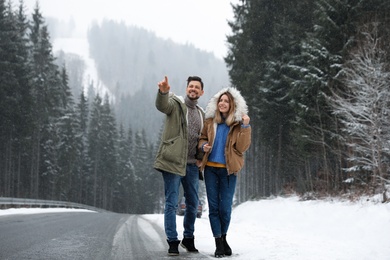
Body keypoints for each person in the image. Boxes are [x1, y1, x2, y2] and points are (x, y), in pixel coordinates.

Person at [154, 75, 205, 256]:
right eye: (191, 86)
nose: (193, 89)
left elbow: (202, 139)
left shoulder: (201, 113)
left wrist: (201, 155)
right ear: (186, 89)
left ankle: (188, 238)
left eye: (197, 87)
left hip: (192, 166)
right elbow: (162, 105)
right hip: (174, 163)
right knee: (171, 203)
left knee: (193, 204)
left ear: (201, 92)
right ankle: (172, 241)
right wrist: (163, 92)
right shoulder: (175, 105)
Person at [198, 87, 251, 258]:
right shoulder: (210, 121)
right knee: (213, 208)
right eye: (220, 100)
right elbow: (202, 138)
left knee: (225, 208)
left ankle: (223, 238)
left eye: (226, 101)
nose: (222, 103)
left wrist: (245, 126)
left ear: (232, 104)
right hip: (210, 169)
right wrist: (202, 146)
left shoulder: (237, 124)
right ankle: (219, 243)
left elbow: (242, 147)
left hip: (229, 171)